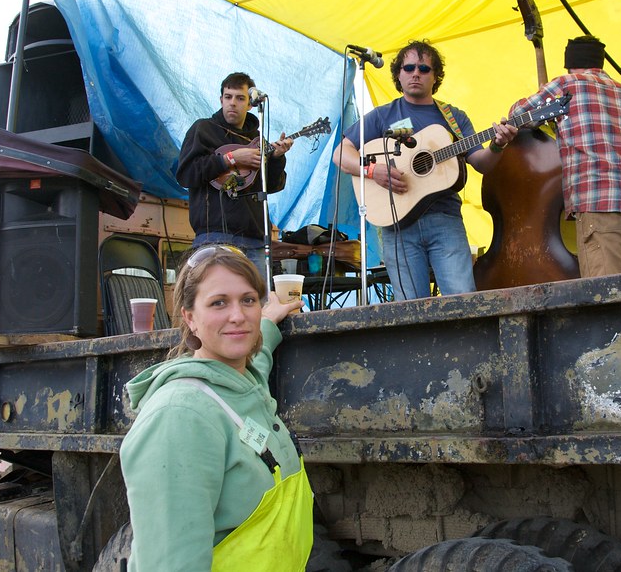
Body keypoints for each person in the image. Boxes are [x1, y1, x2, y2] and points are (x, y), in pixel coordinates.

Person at [120, 244, 310, 571]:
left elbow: (255, 365)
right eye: (219, 303)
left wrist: (266, 323)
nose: (238, 315)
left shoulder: (240, 383)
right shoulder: (179, 417)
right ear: (190, 318)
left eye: (248, 300)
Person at [333, 39, 517, 299]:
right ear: (398, 74)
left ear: (435, 76)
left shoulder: (454, 117)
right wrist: (373, 170)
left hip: (445, 221)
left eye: (423, 68)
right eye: (408, 68)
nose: (415, 73)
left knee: (462, 300)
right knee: (411, 308)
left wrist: (498, 146)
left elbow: (482, 164)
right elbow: (341, 154)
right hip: (397, 225)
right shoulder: (382, 116)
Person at [508, 35, 621, 277]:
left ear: (570, 64)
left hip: (599, 200)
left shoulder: (566, 85)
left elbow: (518, 114)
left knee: (605, 294)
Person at [177, 72, 295, 277]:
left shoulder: (258, 140)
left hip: (255, 241)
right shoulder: (203, 129)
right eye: (228, 97)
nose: (233, 103)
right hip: (215, 238)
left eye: (240, 98)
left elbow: (272, 186)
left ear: (250, 104)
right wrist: (230, 159)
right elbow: (186, 174)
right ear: (221, 99)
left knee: (258, 304)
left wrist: (276, 157)